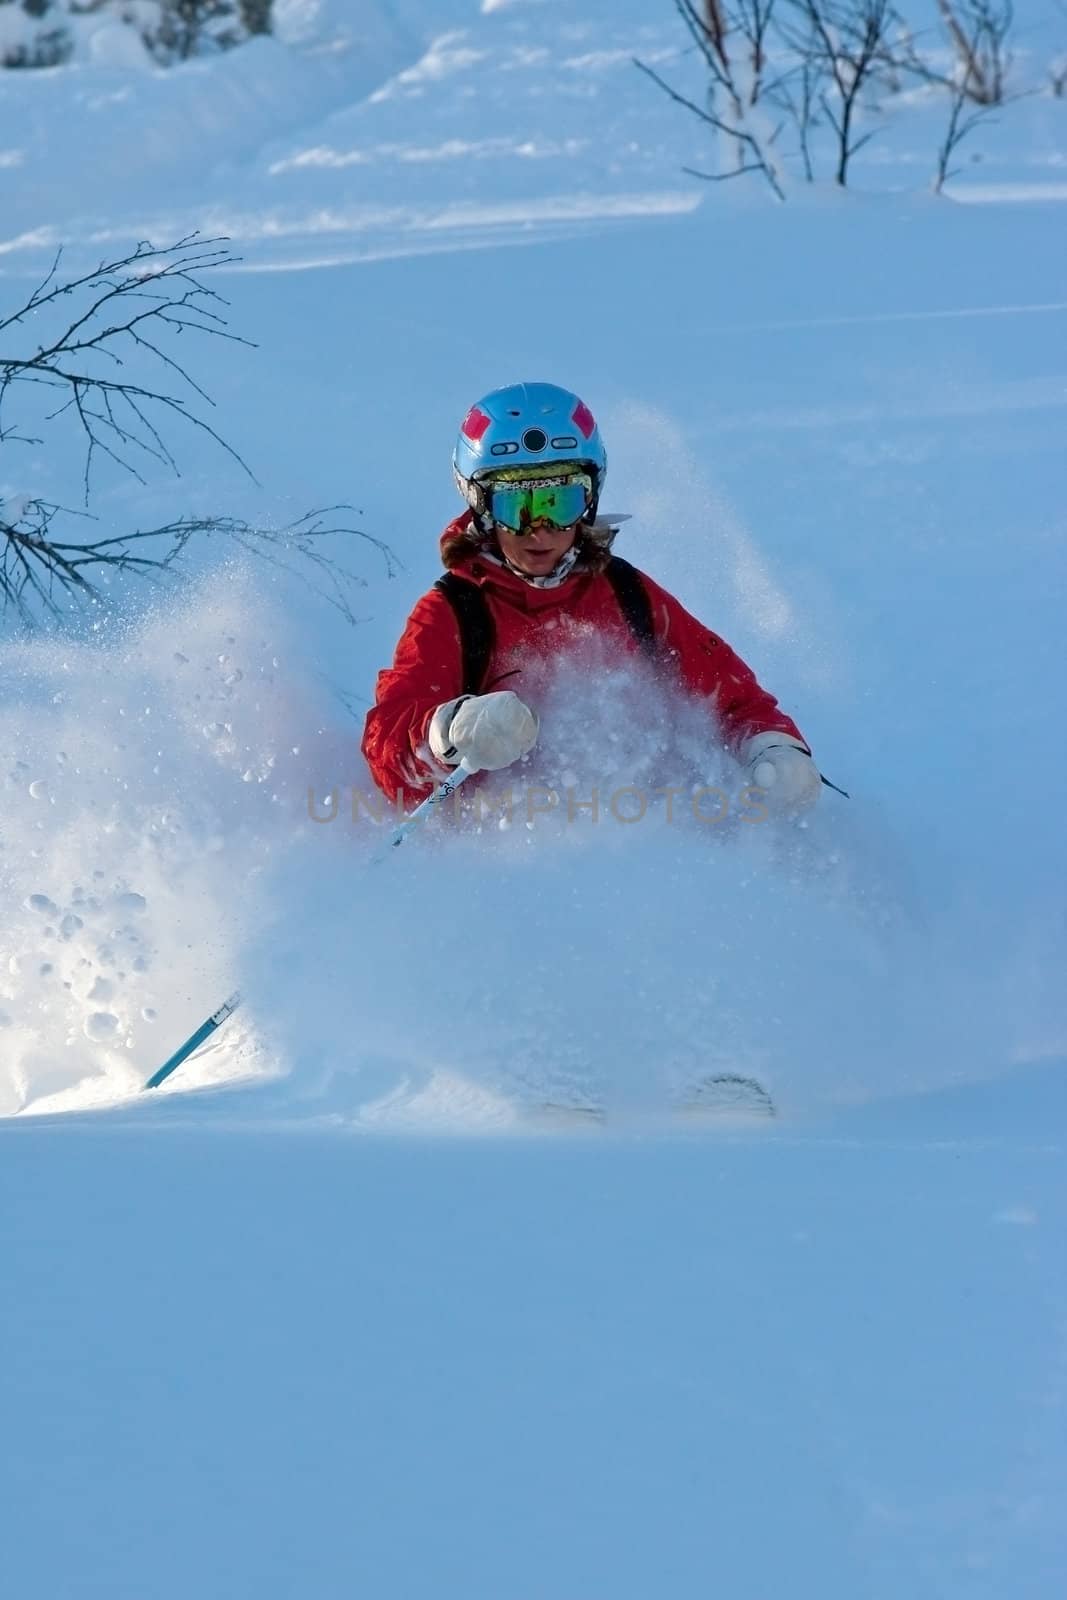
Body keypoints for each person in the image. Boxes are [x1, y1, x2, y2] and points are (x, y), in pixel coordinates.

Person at [362, 381, 821, 814]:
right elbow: (389, 757)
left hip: (651, 837)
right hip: (509, 855)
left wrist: (772, 748)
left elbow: (730, 696)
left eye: (558, 503)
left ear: (590, 501)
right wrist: (450, 732)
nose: (539, 529)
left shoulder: (626, 593)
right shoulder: (454, 612)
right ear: (480, 507)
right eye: (515, 507)